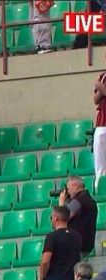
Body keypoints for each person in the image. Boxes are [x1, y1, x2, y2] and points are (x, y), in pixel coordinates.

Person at [58, 176, 98, 256]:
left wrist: (61, 202)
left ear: (75, 185)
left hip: (77, 245)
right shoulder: (89, 199)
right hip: (86, 244)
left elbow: (63, 217)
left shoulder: (79, 200)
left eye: (68, 188)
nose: (67, 191)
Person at [93, 54, 106, 185]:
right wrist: (100, 88)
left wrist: (99, 86)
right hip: (102, 123)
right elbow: (95, 100)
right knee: (100, 162)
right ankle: (100, 186)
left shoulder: (100, 81)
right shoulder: (103, 77)